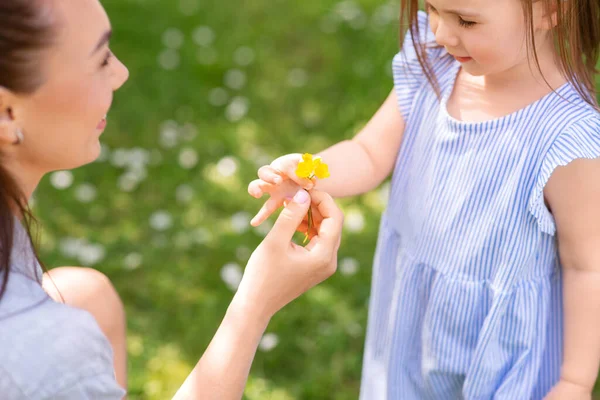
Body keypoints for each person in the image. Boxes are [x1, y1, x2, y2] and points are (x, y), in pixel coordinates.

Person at [248, 0, 600, 398]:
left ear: (551, 10)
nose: (441, 33)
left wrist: (575, 380)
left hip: (502, 348)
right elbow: (367, 153)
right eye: (433, 8)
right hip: (412, 318)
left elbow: (587, 267)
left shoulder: (568, 137)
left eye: (466, 20)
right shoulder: (434, 67)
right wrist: (307, 172)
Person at [0, 0, 344, 399]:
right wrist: (255, 303)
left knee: (87, 294)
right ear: (7, 113)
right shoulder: (43, 354)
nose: (122, 73)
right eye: (99, 60)